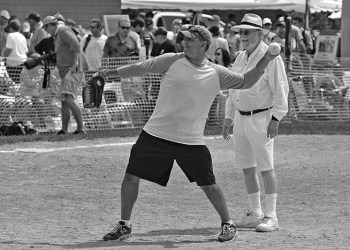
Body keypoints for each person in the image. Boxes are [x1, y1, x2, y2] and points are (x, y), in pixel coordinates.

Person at [96, 24, 278, 242]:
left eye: (190, 39)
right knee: (130, 176)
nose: (185, 42)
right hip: (155, 133)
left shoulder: (216, 72)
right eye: (183, 38)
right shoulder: (172, 60)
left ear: (203, 44)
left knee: (209, 185)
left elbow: (246, 81)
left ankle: (228, 224)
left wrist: (266, 58)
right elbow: (141, 67)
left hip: (189, 140)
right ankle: (125, 225)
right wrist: (109, 74)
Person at [222, 13, 289, 232]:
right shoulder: (241, 57)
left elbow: (280, 87)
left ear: (260, 34)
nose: (243, 36)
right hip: (241, 118)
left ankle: (272, 216)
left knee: (266, 168)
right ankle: (255, 213)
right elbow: (233, 87)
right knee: (247, 168)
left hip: (262, 118)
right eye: (241, 32)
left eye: (247, 32)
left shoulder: (271, 57)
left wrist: (276, 117)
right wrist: (229, 116)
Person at [43, 16, 84, 135]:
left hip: (72, 70)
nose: (46, 31)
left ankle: (81, 129)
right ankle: (64, 129)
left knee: (69, 98)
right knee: (64, 101)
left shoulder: (62, 30)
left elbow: (76, 44)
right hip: (65, 71)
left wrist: (75, 62)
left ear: (51, 25)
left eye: (46, 28)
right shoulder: (57, 35)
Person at [3, 19, 28, 84]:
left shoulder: (10, 35)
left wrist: (3, 57)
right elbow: (26, 51)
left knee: (12, 82)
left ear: (11, 27)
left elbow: (9, 49)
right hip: (23, 63)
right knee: (20, 82)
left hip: (12, 64)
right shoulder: (22, 36)